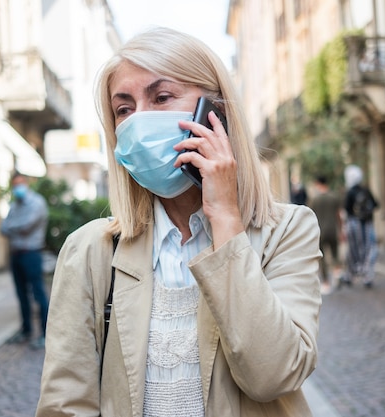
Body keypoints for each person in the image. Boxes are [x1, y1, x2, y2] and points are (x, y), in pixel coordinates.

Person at [36, 27, 322, 417]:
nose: (138, 121)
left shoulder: (288, 231)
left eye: (161, 97)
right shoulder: (89, 251)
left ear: (215, 112)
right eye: (124, 109)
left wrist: (224, 218)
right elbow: (65, 406)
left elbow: (273, 376)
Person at [0, 172, 49, 349]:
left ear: (26, 183)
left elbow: (27, 227)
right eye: (15, 184)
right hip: (16, 254)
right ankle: (26, 331)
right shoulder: (14, 206)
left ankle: (45, 334)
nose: (18, 188)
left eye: (20, 183)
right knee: (21, 295)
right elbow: (3, 228)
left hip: (32, 253)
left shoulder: (37, 203)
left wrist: (14, 227)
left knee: (38, 294)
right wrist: (16, 228)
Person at [340, 164, 378, 289]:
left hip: (354, 225)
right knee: (369, 248)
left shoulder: (350, 192)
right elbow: (376, 204)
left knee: (353, 250)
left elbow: (346, 210)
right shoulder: (365, 190)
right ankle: (367, 275)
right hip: (367, 225)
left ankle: (351, 274)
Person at [309, 175, 343, 293]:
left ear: (318, 184)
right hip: (333, 230)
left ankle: (326, 283)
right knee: (335, 253)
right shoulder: (334, 197)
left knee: (322, 258)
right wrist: (341, 230)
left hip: (320, 232)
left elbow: (310, 217)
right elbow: (339, 215)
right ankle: (337, 274)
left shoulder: (314, 199)